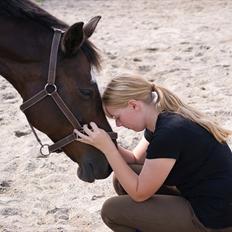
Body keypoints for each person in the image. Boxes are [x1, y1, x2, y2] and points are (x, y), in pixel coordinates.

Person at [74, 75, 232, 232]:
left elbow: (139, 193)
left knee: (112, 211)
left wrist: (108, 149)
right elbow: (135, 158)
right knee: (123, 179)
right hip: (207, 200)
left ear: (134, 105)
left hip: (214, 218)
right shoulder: (163, 118)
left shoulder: (169, 133)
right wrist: (105, 141)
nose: (118, 124)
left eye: (117, 117)